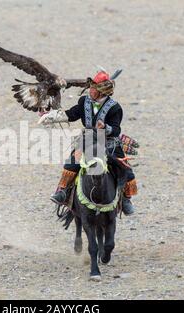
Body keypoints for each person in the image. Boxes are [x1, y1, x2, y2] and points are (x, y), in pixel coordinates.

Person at [39, 70, 138, 215]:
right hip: (88, 139)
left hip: (109, 142)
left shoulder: (115, 108)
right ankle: (63, 192)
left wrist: (105, 128)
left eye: (94, 88)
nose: (90, 90)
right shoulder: (83, 101)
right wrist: (50, 116)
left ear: (102, 92)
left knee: (126, 170)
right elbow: (71, 115)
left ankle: (126, 199)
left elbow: (116, 129)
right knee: (72, 163)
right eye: (91, 87)